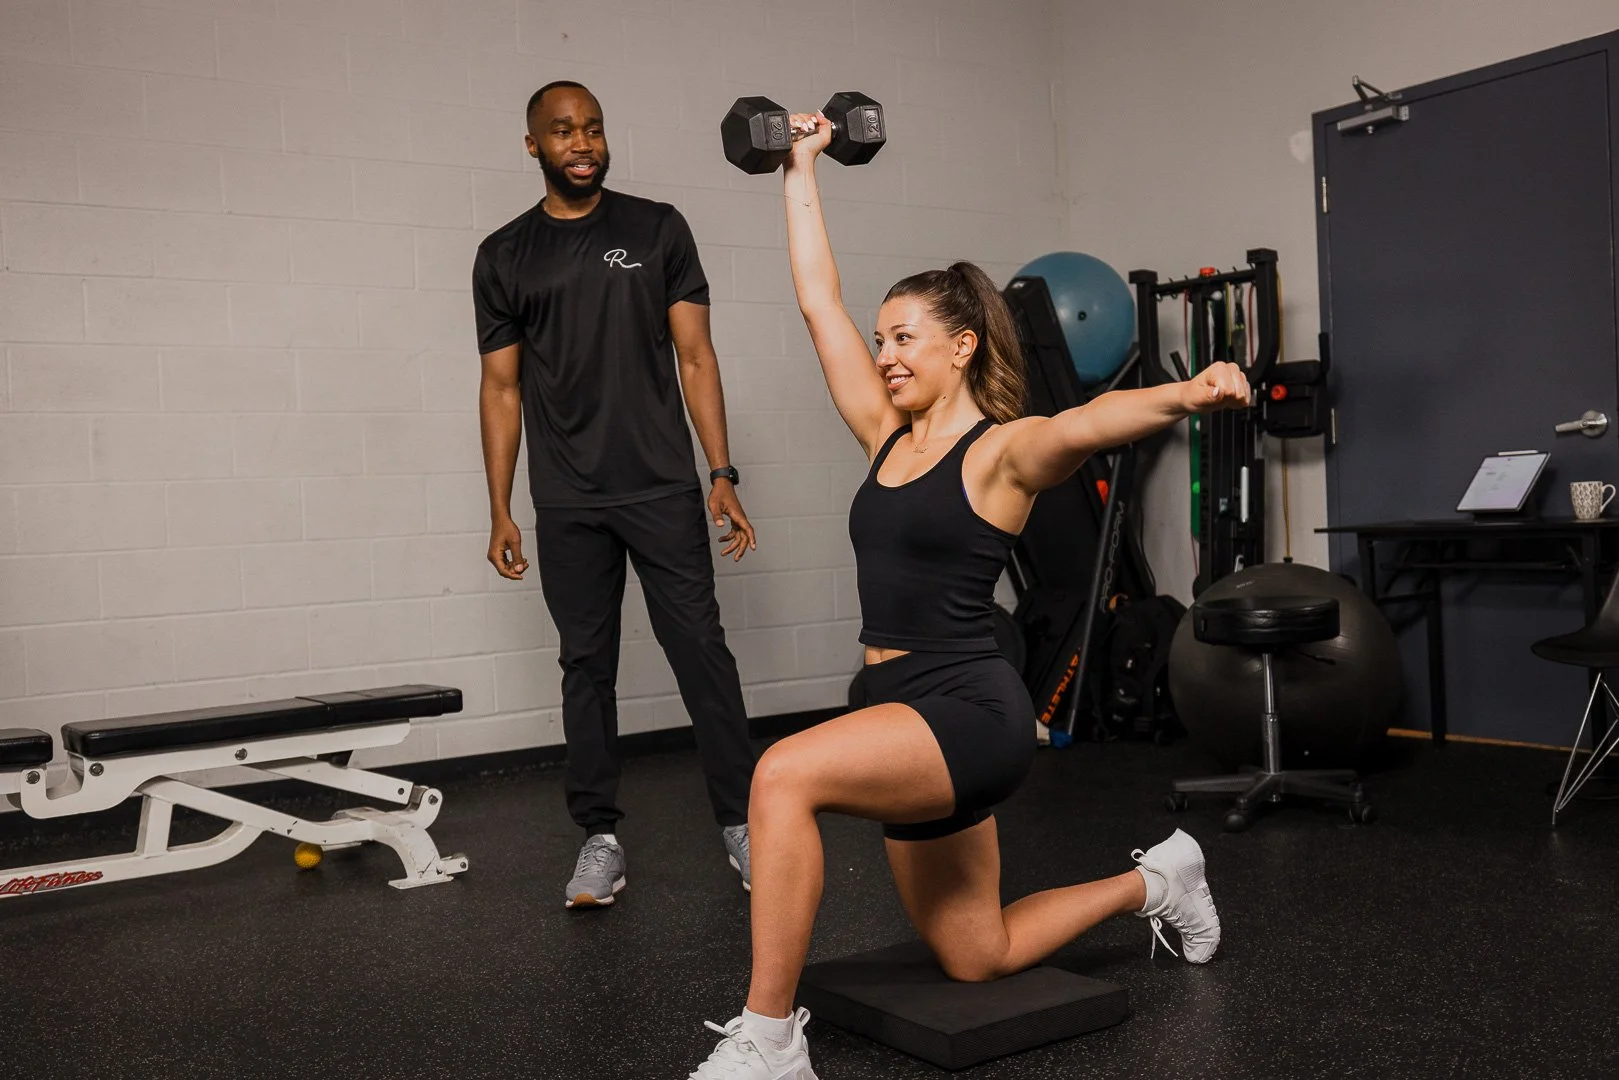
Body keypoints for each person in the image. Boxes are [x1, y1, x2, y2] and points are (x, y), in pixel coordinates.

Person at [686, 113, 1247, 1079]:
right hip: (894, 709)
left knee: (779, 775)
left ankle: (771, 1041)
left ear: (961, 345)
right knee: (974, 952)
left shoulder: (999, 451)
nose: (886, 354)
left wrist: (1183, 395)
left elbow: (1086, 423)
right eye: (881, 340)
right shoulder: (884, 436)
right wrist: (798, 170)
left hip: (965, 709)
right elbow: (818, 305)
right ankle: (1158, 880)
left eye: (905, 338)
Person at [473, 81, 758, 909]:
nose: (582, 142)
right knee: (585, 668)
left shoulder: (656, 228)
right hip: (566, 499)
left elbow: (696, 357)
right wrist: (500, 507)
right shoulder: (505, 254)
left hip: (661, 485)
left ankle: (742, 824)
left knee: (700, 652)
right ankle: (599, 837)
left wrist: (722, 473)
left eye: (592, 127)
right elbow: (499, 389)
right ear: (533, 146)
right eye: (561, 131)